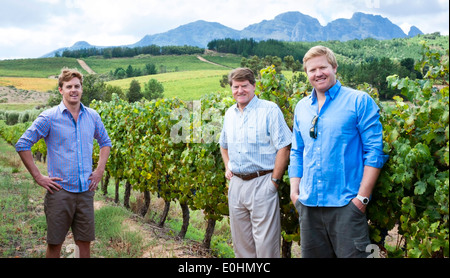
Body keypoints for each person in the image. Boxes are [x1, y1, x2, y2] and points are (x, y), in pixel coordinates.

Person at [289, 46, 389, 258]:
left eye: (323, 67)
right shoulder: (301, 107)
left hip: (346, 205)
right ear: (306, 73)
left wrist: (361, 199)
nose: (318, 74)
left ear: (334, 67)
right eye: (312, 70)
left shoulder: (359, 101)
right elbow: (297, 151)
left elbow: (374, 153)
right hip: (308, 205)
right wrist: (294, 193)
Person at [15, 68, 111, 258]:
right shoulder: (49, 117)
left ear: (81, 89)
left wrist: (99, 170)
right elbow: (23, 144)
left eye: (77, 86)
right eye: (69, 86)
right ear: (61, 90)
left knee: (84, 243)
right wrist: (38, 176)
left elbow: (105, 143)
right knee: (55, 243)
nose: (73, 90)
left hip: (85, 191)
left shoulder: (92, 116)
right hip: (60, 192)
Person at [219, 68, 292, 258]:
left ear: (254, 86)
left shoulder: (269, 110)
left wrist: (274, 182)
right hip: (236, 185)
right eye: (236, 87)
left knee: (267, 247)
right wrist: (228, 166)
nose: (240, 90)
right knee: (241, 247)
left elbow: (284, 146)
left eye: (244, 86)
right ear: (231, 89)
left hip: (262, 183)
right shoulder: (229, 114)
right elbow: (223, 145)